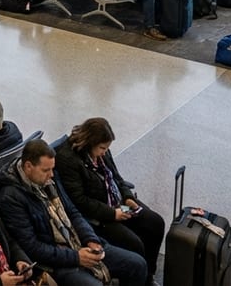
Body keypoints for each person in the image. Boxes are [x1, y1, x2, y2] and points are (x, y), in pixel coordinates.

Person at [0, 139, 148, 286]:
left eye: (52, 169)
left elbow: (72, 212)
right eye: (46, 170)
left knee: (137, 265)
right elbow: (32, 248)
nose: (52, 175)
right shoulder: (10, 197)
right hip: (55, 262)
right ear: (28, 166)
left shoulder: (49, 180)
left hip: (76, 242)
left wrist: (90, 239)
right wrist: (76, 258)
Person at [54, 118, 166, 281]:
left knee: (155, 222)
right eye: (102, 148)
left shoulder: (101, 152)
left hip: (117, 202)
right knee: (134, 243)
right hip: (99, 214)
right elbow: (80, 201)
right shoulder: (69, 159)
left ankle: (148, 274)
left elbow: (116, 177)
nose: (105, 152)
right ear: (90, 142)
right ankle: (138, 277)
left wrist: (127, 197)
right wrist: (113, 214)